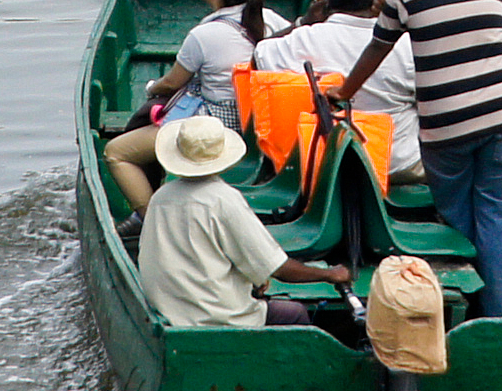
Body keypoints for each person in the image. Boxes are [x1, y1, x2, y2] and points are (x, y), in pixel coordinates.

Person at [325, 0, 502, 319]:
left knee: (458, 215)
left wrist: (344, 93)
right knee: (501, 214)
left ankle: (469, 300)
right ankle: (499, 311)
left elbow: (378, 48)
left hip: (449, 124)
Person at [136, 114, 349, 325]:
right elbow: (279, 269)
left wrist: (254, 279)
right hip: (213, 318)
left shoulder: (159, 197)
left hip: (168, 310)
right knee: (294, 314)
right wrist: (330, 274)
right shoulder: (224, 200)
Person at [105, 0, 272, 207]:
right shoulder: (270, 19)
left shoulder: (204, 35)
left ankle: (148, 217)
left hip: (216, 124)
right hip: (258, 121)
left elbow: (172, 82)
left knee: (116, 153)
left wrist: (152, 88)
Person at [253, 0, 424, 188]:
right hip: (397, 166)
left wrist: (303, 22)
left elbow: (258, 56)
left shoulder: (304, 39)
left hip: (328, 164)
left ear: (327, 0)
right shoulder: (405, 45)